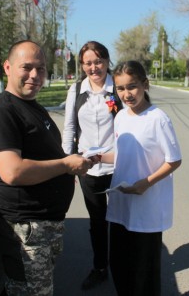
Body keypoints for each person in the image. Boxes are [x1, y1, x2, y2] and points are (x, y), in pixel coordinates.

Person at [0, 40, 95, 296]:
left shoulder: (31, 106)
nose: (35, 75)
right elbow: (13, 171)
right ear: (7, 67)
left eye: (40, 69)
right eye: (27, 67)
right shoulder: (1, 113)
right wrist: (65, 165)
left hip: (44, 227)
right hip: (26, 231)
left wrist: (70, 166)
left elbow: (43, 155)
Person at [101, 60, 182, 296]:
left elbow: (174, 159)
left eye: (132, 86)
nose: (126, 94)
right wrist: (97, 158)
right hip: (121, 204)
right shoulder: (120, 117)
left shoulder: (158, 118)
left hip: (147, 209)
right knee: (120, 265)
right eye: (120, 88)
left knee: (144, 273)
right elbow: (122, 155)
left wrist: (146, 183)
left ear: (145, 85)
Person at [62, 41, 122, 290]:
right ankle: (100, 267)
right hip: (89, 169)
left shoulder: (118, 87)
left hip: (118, 166)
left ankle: (123, 265)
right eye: (88, 62)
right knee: (97, 222)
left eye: (98, 61)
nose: (93, 67)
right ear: (82, 65)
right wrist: (68, 162)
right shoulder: (76, 91)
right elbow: (70, 128)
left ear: (107, 61)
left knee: (121, 220)